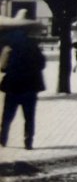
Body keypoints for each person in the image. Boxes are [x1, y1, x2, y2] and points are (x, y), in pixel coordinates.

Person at [0, 21, 46, 150]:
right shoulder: (33, 45)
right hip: (30, 86)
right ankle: (28, 142)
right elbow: (42, 64)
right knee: (29, 117)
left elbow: (3, 67)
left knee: (7, 115)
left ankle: (3, 139)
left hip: (13, 86)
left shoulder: (9, 47)